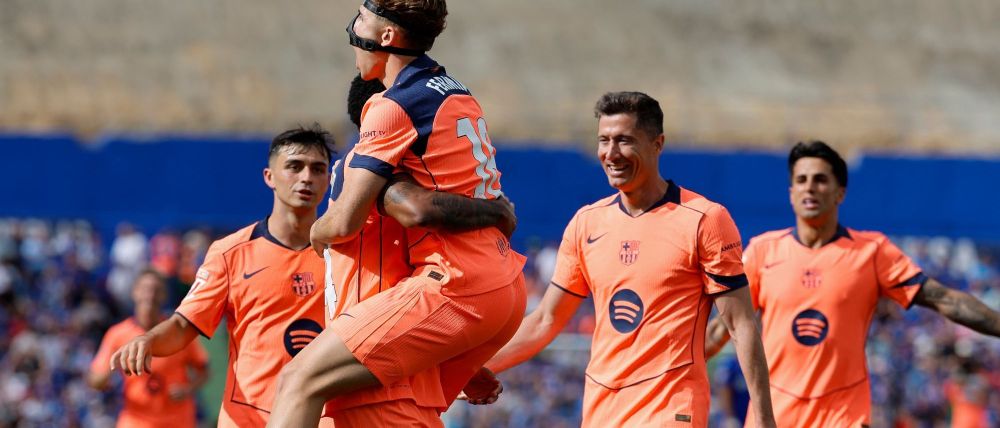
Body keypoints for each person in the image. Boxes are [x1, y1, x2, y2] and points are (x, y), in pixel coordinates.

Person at [267, 1, 527, 426]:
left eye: (361, 17)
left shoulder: (389, 111)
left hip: (457, 284)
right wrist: (495, 210)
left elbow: (367, 218)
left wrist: (319, 230)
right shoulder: (456, 92)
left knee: (298, 380)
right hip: (500, 281)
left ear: (386, 36)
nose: (353, 29)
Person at [481, 92, 776, 428]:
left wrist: (764, 419)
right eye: (603, 140)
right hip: (602, 412)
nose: (611, 153)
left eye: (624, 140)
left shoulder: (704, 220)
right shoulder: (586, 223)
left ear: (657, 144)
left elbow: (741, 325)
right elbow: (545, 320)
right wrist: (476, 368)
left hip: (671, 409)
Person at [705, 141, 1000, 426]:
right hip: (774, 412)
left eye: (821, 179)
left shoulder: (872, 252)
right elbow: (722, 328)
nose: (810, 187)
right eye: (801, 180)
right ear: (791, 193)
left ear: (840, 193)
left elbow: (944, 299)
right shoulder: (762, 251)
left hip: (843, 414)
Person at [90, 268, 208, 428]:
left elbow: (204, 370)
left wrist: (188, 389)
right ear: (135, 292)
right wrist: (106, 376)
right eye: (145, 289)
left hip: (177, 419)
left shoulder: (176, 331)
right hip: (136, 419)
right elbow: (95, 379)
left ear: (163, 295)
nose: (150, 295)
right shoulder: (118, 334)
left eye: (156, 290)